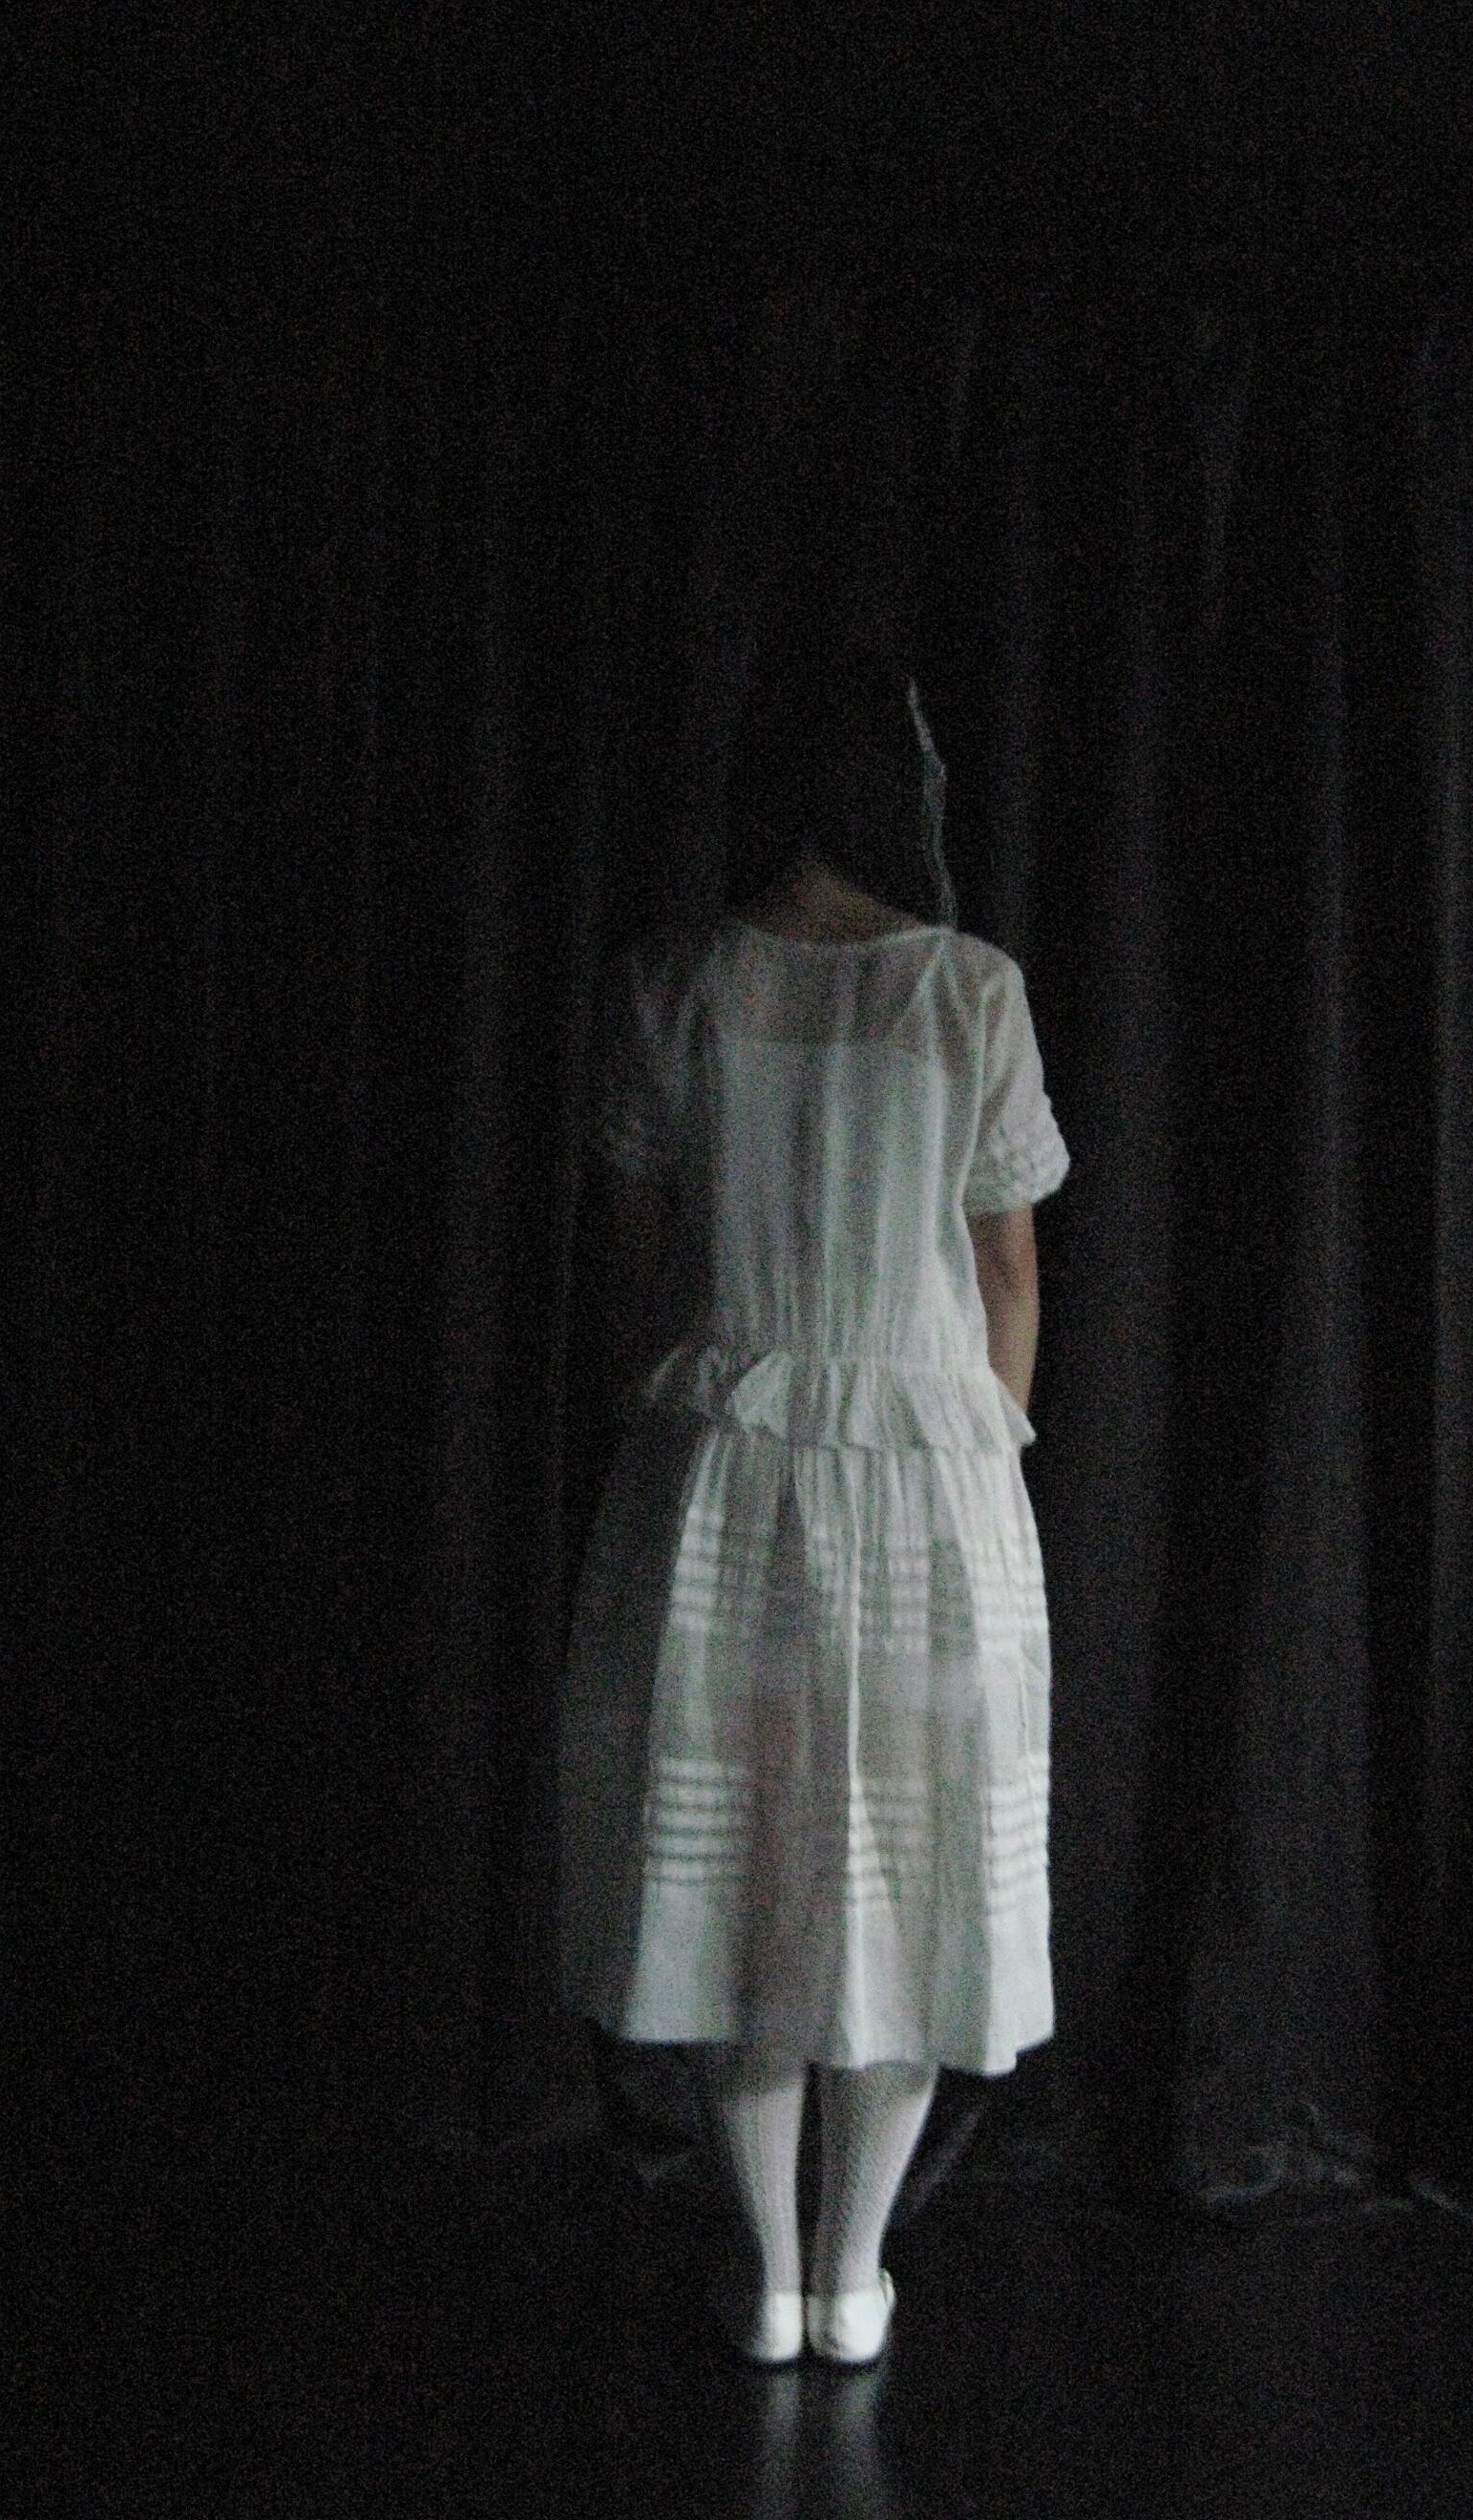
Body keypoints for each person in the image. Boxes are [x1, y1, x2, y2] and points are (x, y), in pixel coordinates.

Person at [558, 606, 1071, 2368]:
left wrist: (679, 1416)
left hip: (724, 1478)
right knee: (900, 1880)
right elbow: (1009, 1272)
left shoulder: (678, 981)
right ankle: (850, 2277)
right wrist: (983, 1453)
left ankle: (774, 2275)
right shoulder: (969, 990)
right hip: (923, 1493)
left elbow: (640, 1262)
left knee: (747, 1880)